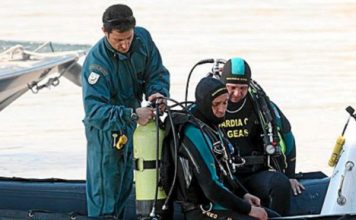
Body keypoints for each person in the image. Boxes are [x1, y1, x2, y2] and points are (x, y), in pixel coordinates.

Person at [81, 4, 170, 218]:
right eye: (118, 40)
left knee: (124, 192)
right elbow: (94, 112)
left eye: (128, 38)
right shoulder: (96, 64)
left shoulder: (143, 39)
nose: (124, 45)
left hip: (133, 129)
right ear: (105, 32)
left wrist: (157, 93)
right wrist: (131, 115)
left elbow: (156, 72)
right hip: (105, 135)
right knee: (105, 202)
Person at [173, 77, 275, 220]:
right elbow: (210, 188)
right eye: (216, 104)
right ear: (204, 104)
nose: (222, 109)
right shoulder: (193, 132)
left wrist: (243, 195)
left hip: (220, 205)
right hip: (202, 210)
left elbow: (225, 170)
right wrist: (248, 209)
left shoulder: (211, 125)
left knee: (273, 216)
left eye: (225, 102)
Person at [219, 57, 303, 215]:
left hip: (254, 174)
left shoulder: (260, 105)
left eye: (243, 88)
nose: (237, 93)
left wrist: (290, 175)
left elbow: (287, 136)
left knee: (280, 184)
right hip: (225, 177)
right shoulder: (211, 104)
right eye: (232, 87)